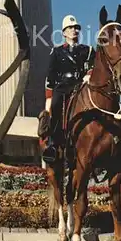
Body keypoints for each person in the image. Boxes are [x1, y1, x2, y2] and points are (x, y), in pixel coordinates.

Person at [41, 15, 95, 164]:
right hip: (63, 87)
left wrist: (89, 75)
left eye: (76, 28)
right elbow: (50, 76)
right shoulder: (57, 52)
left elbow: (94, 66)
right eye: (70, 28)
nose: (74, 30)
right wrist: (49, 99)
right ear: (64, 32)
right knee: (57, 105)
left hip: (82, 85)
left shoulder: (88, 50)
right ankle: (52, 144)